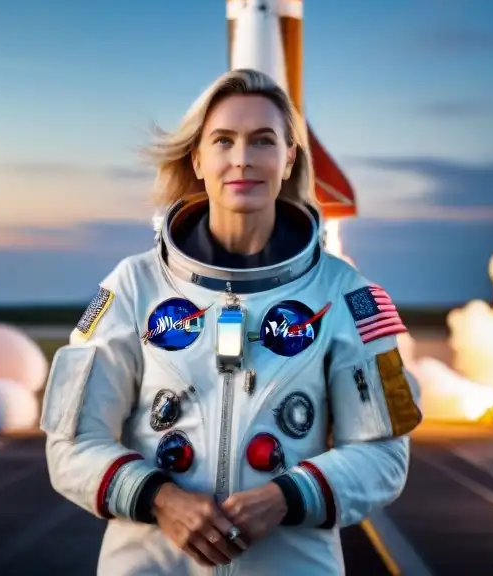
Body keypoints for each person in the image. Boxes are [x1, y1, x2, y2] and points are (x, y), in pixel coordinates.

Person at [40, 68, 422, 575]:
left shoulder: (344, 293)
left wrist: (287, 495)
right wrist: (159, 499)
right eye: (224, 140)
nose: (242, 158)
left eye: (263, 141)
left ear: (289, 158)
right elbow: (69, 444)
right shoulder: (133, 287)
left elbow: (383, 456)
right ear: (198, 158)